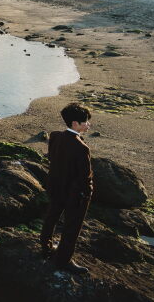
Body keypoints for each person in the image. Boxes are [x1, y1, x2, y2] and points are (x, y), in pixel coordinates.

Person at [39, 102, 94, 274]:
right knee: (72, 226)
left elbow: (53, 159)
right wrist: (88, 192)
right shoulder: (81, 148)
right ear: (75, 124)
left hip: (55, 186)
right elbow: (85, 176)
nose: (88, 124)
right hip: (73, 194)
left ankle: (45, 247)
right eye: (85, 122)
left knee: (51, 217)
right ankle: (63, 260)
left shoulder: (55, 136)